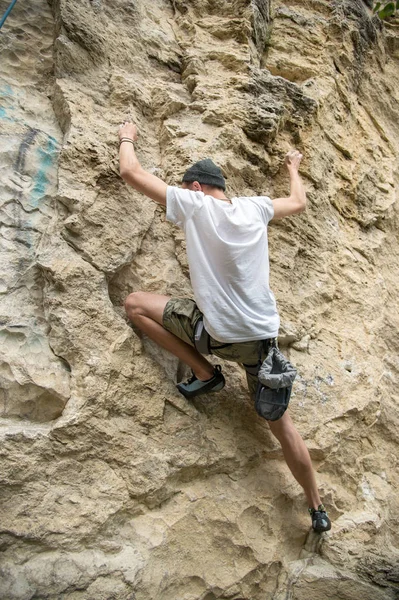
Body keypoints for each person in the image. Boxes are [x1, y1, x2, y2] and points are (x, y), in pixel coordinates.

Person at [118, 121, 331, 533]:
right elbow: (298, 202)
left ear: (195, 188)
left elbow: (131, 173)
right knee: (282, 427)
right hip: (261, 345)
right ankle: (316, 508)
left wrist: (127, 136)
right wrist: (293, 165)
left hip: (216, 336)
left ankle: (203, 372)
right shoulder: (254, 207)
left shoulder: (195, 205)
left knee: (136, 305)